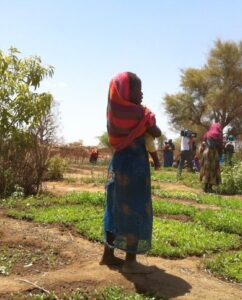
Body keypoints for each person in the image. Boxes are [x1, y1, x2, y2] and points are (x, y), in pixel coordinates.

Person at [100, 71, 161, 273]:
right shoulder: (138, 114)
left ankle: (108, 254)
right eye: (138, 89)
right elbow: (156, 132)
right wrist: (147, 115)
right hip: (135, 168)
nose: (141, 94)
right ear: (127, 91)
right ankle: (130, 259)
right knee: (135, 208)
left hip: (117, 166)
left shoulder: (113, 112)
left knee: (114, 208)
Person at [199, 123, 223, 193]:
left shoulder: (208, 133)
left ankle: (205, 187)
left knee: (206, 169)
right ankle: (210, 187)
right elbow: (220, 145)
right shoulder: (218, 135)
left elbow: (203, 142)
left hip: (206, 153)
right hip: (214, 154)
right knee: (213, 170)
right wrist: (220, 154)